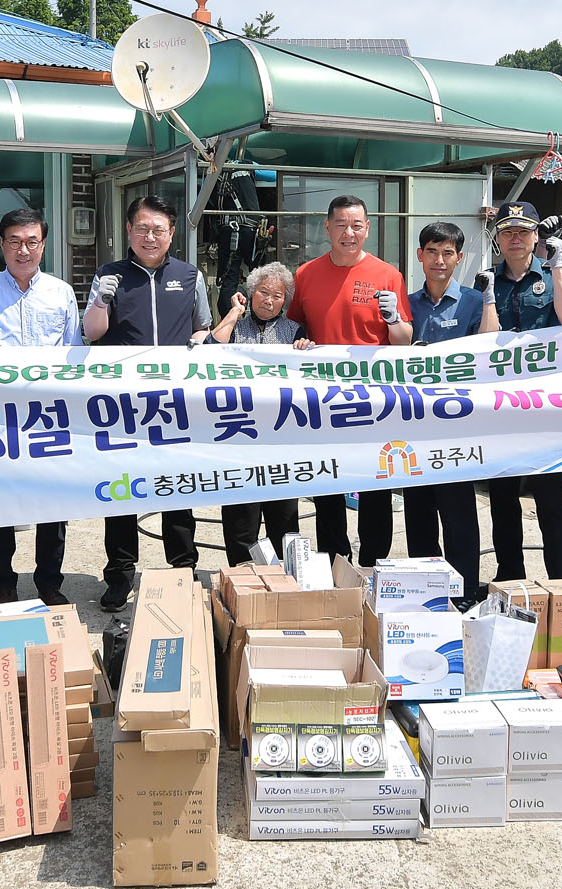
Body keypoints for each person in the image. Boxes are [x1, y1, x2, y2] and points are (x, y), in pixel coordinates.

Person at [84, 194, 213, 612]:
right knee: (122, 490)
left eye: (159, 229)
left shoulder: (189, 276)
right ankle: (120, 574)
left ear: (172, 233)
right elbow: (92, 333)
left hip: (174, 402)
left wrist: (200, 342)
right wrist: (101, 301)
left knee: (177, 488)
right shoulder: (109, 274)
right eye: (142, 228)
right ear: (129, 230)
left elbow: (203, 328)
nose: (150, 236)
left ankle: (183, 568)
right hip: (123, 404)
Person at [0, 207, 81, 607]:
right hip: (0, 413)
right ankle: (3, 584)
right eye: (15, 242)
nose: (23, 250)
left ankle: (49, 583)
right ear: (2, 244)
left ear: (43, 244)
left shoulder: (61, 291)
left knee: (53, 503)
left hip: (48, 412)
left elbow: (73, 351)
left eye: (32, 242)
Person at [287, 195, 413, 568]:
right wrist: (301, 343)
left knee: (376, 483)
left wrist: (394, 320)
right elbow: (294, 330)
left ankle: (374, 563)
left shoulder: (388, 275)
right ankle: (335, 562)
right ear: (327, 227)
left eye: (357, 225)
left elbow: (403, 341)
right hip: (322, 399)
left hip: (374, 399)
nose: (349, 232)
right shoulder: (305, 274)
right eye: (341, 224)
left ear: (367, 229)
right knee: (327, 482)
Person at [484, 201, 562, 584]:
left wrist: (556, 265)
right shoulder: (487, 280)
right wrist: (487, 295)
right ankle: (510, 578)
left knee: (551, 499)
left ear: (536, 235)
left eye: (523, 232)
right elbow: (482, 342)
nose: (516, 239)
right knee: (502, 499)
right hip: (500, 408)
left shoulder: (558, 272)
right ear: (498, 238)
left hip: (544, 406)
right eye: (508, 232)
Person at [404, 221, 498, 607]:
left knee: (458, 513)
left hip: (458, 427)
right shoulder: (407, 302)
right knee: (418, 513)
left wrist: (489, 299)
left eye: (447, 253)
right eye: (432, 251)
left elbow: (490, 347)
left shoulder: (474, 301)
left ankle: (464, 592)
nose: (439, 260)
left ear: (459, 258)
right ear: (420, 255)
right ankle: (426, 592)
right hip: (413, 424)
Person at [205, 262, 303, 564]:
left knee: (283, 519)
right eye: (263, 292)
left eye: (277, 295)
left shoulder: (294, 331)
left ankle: (285, 578)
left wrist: (306, 348)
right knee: (241, 521)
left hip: (280, 440)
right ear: (251, 293)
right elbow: (209, 350)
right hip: (240, 437)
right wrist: (234, 313)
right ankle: (241, 579)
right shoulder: (237, 327)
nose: (269, 301)